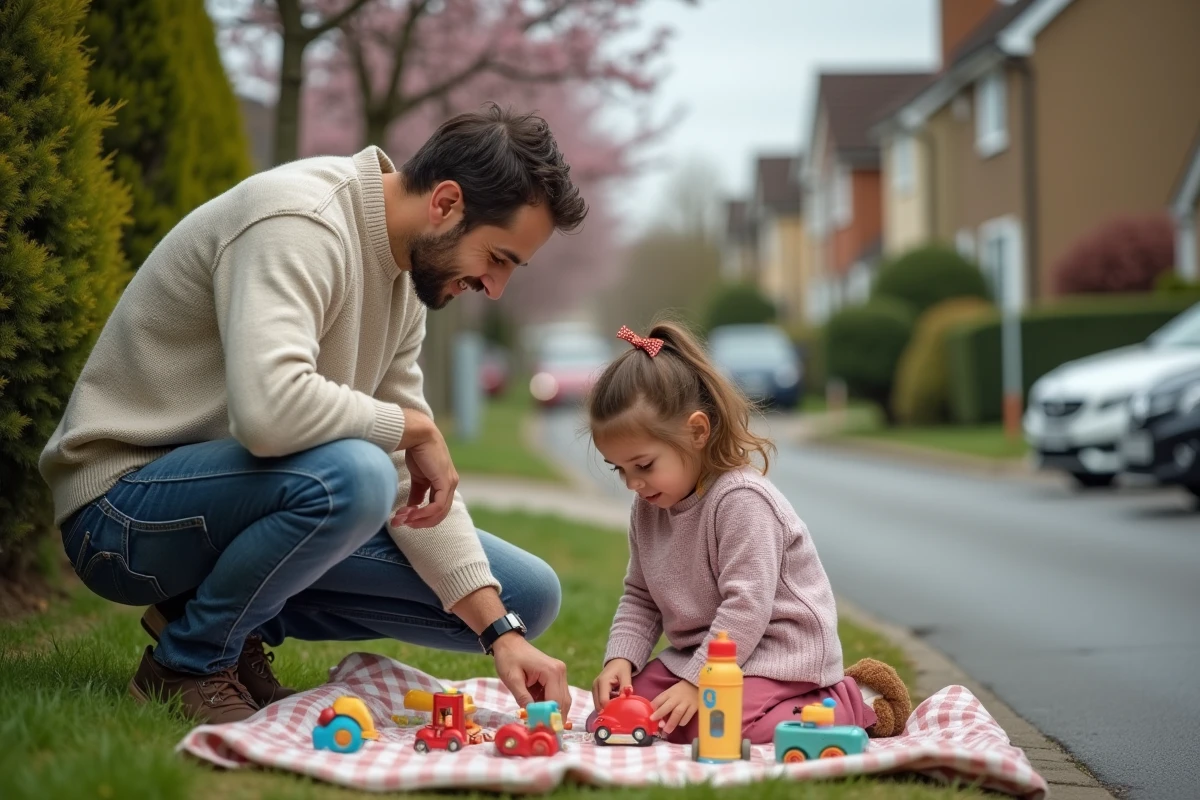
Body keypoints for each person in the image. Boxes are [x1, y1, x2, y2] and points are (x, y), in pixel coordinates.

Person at [38, 103, 585, 725]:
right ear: (446, 203)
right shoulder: (300, 221)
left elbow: (411, 477)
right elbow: (269, 412)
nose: (496, 287)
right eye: (498, 258)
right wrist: (413, 427)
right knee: (356, 477)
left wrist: (500, 633)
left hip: (232, 504)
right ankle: (187, 662)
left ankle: (222, 621)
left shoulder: (404, 280)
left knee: (525, 595)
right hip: (122, 513)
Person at [585, 321, 912, 743]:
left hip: (778, 653)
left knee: (710, 727)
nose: (632, 483)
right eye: (619, 469)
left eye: (643, 465)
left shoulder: (741, 501)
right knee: (626, 717)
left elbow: (746, 608)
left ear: (697, 432)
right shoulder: (648, 508)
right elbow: (640, 596)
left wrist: (699, 683)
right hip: (706, 654)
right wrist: (622, 660)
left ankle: (848, 701)